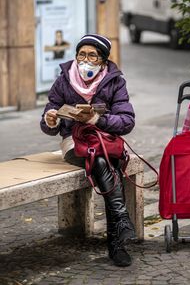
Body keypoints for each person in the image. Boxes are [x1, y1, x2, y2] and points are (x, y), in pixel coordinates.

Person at [40, 33, 136, 267]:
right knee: (102, 161)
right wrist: (51, 119)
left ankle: (119, 234)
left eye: (92, 55)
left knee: (103, 161)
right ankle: (117, 241)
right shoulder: (64, 79)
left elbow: (127, 121)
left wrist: (95, 119)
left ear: (103, 60)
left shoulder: (115, 81)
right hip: (74, 144)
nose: (85, 59)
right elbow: (47, 121)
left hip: (103, 140)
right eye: (81, 54)